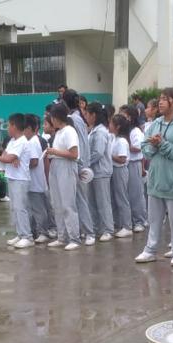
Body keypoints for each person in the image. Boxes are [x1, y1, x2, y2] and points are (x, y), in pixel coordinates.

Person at [134, 87, 173, 266]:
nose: (160, 102)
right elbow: (145, 148)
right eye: (160, 99)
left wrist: (162, 144)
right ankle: (150, 249)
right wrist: (153, 145)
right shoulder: (155, 124)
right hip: (156, 179)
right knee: (154, 219)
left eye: (165, 99)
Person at [45, 104, 83, 250]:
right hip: (56, 165)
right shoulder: (59, 132)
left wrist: (55, 152)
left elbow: (74, 154)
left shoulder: (69, 131)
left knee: (68, 204)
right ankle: (62, 237)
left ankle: (74, 238)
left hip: (66, 166)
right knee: (57, 204)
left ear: (56, 118)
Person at [0, 114, 34, 248]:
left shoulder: (22, 141)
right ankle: (20, 233)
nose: (7, 128)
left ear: (14, 126)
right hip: (12, 177)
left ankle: (27, 236)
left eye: (9, 125)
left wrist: (0, 158)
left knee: (21, 208)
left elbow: (7, 158)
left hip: (20, 179)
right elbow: (6, 154)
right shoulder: (12, 141)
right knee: (15, 208)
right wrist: (7, 158)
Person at [63, 90, 95, 245]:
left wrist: (81, 164)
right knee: (78, 200)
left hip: (78, 163)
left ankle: (89, 232)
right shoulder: (78, 118)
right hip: (81, 162)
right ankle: (83, 230)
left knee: (80, 200)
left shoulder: (73, 119)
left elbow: (78, 145)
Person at [84, 102, 115, 242]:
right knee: (92, 202)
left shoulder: (101, 132)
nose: (85, 116)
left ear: (93, 115)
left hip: (101, 171)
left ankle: (108, 229)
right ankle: (97, 228)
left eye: (87, 114)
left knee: (103, 202)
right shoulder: (94, 130)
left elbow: (98, 152)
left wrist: (86, 163)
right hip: (94, 172)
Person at [23, 114, 53, 241]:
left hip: (35, 182)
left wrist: (22, 165)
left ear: (30, 128)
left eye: (23, 129)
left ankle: (43, 232)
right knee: (35, 208)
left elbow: (34, 162)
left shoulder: (33, 142)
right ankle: (36, 231)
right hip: (34, 182)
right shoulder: (31, 141)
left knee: (39, 209)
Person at [109, 113, 133, 238]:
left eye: (111, 123)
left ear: (117, 126)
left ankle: (127, 226)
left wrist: (108, 155)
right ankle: (118, 223)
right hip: (114, 169)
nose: (109, 125)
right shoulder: (114, 138)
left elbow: (122, 159)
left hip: (120, 170)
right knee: (115, 198)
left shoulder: (122, 141)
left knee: (122, 198)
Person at [128, 105, 149, 233]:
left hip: (135, 163)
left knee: (136, 193)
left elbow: (139, 148)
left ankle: (140, 220)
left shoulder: (136, 131)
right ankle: (133, 219)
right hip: (127, 164)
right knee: (129, 194)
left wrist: (125, 145)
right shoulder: (127, 131)